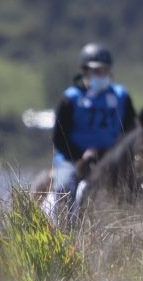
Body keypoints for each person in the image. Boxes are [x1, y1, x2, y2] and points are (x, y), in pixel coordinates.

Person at [50, 43, 136, 201]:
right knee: (64, 188)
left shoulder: (121, 96)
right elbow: (58, 138)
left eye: (106, 70)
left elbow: (131, 131)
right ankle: (61, 224)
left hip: (111, 159)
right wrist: (79, 156)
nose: (102, 75)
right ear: (84, 71)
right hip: (73, 160)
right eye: (97, 71)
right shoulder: (70, 98)